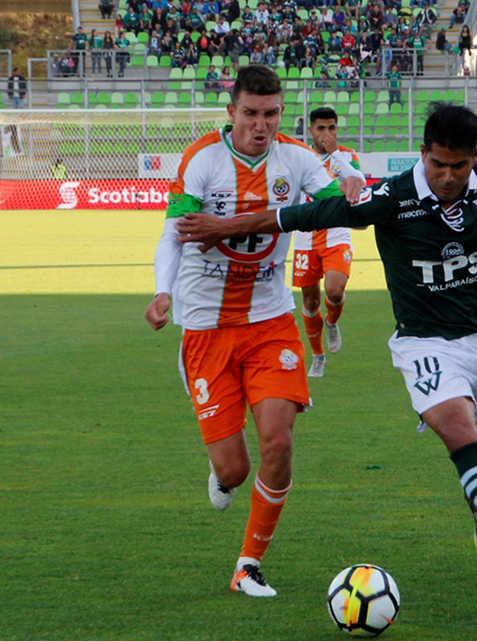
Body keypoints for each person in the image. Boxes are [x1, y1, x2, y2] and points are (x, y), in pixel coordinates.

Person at [176, 103, 477, 577]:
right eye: (437, 163)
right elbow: (301, 216)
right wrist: (224, 227)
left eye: (457, 166)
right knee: (457, 430)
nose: (446, 175)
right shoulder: (393, 198)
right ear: (422, 153)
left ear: (475, 157)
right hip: (423, 342)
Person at [143, 65, 365, 598]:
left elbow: (336, 199)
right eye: (250, 114)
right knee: (235, 469)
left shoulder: (297, 158)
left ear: (279, 113)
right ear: (232, 112)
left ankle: (248, 565)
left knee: (278, 440)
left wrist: (352, 185)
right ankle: (222, 475)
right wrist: (161, 290)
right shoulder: (202, 159)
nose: (260, 125)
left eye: (270, 114)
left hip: (270, 322)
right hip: (207, 325)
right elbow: (175, 235)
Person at [292, 106, 363, 378]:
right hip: (305, 237)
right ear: (310, 130)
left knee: (334, 292)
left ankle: (332, 321)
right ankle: (317, 356)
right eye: (320, 128)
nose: (326, 133)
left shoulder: (347, 155)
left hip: (336, 232)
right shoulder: (298, 156)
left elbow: (358, 184)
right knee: (310, 303)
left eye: (331, 128)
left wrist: (334, 153)